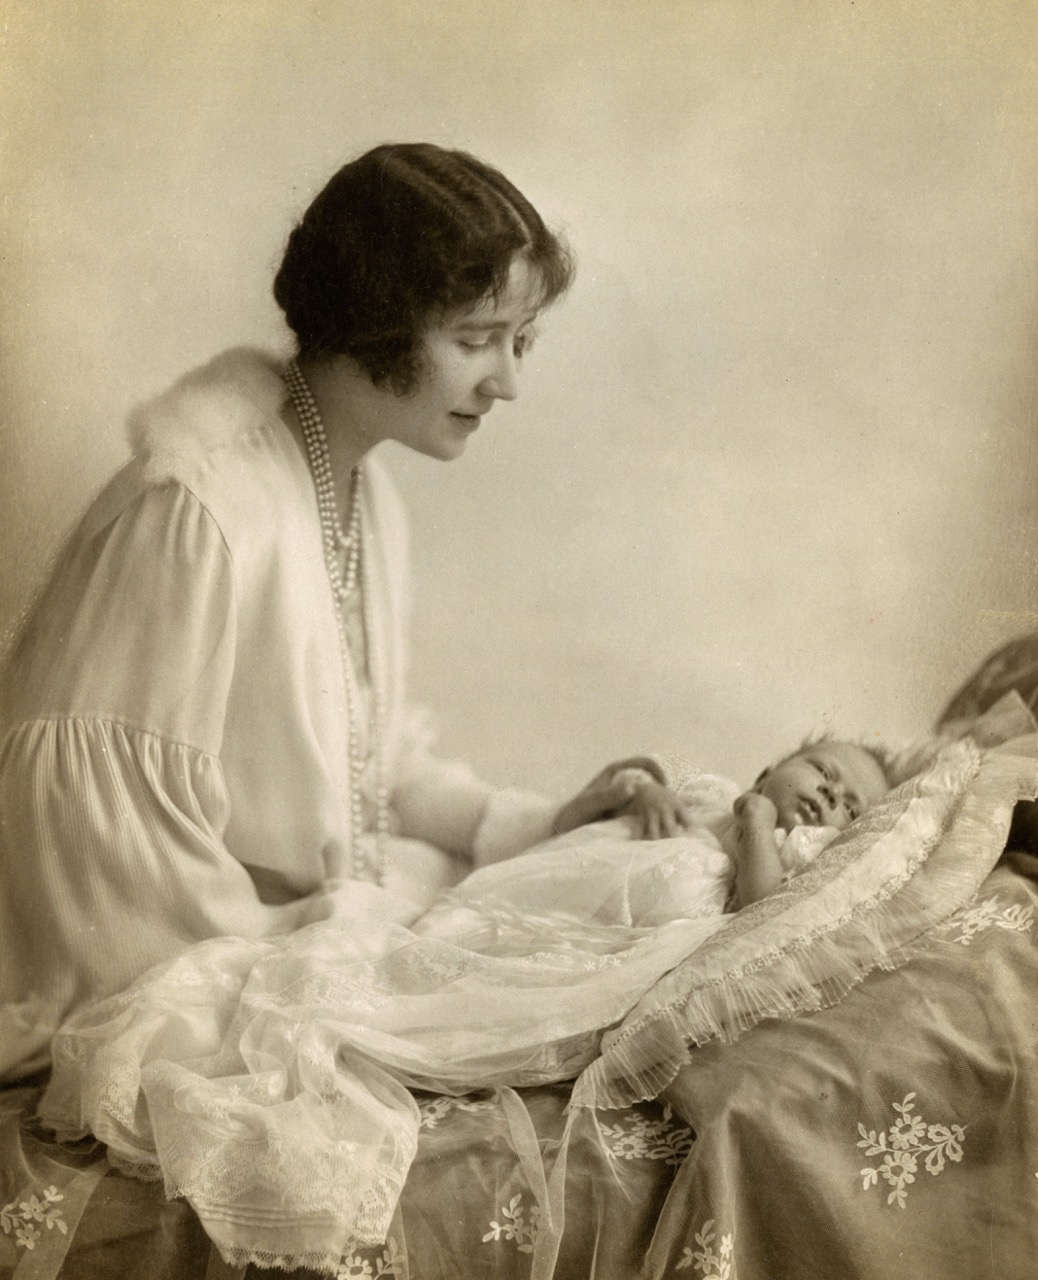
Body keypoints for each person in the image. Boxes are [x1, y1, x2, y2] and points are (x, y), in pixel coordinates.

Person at [0, 142, 646, 1082]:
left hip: (301, 920)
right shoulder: (200, 508)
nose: (507, 381)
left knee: (631, 892)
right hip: (163, 948)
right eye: (476, 340)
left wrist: (535, 822)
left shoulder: (364, 495)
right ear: (375, 320)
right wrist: (320, 943)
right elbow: (102, 848)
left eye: (521, 341)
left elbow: (367, 768)